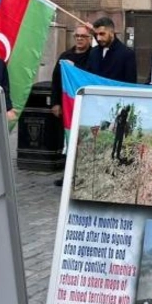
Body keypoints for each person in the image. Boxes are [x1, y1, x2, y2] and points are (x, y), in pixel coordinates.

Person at [50, 25, 93, 187]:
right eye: (77, 36)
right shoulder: (65, 55)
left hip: (85, 105)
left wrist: (75, 70)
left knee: (84, 139)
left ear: (89, 38)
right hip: (67, 105)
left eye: (83, 36)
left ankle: (83, 172)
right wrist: (55, 103)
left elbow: (90, 76)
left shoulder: (92, 56)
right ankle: (67, 174)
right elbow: (56, 80)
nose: (80, 39)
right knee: (68, 141)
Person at [85, 17, 137, 83]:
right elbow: (87, 75)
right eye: (96, 34)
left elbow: (130, 84)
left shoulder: (127, 54)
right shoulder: (94, 52)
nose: (98, 38)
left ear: (112, 33)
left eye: (102, 34)